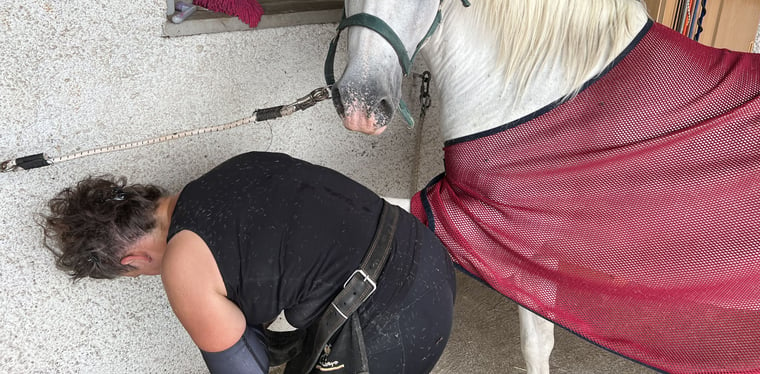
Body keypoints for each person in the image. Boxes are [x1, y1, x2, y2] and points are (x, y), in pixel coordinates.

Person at [42, 151, 456, 374]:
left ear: (131, 260)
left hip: (399, 326)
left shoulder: (181, 266)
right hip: (430, 256)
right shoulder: (235, 167)